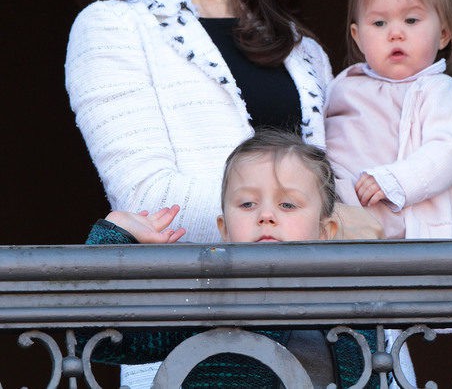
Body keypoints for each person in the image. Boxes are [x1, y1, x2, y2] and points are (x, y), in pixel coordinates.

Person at [64, 0, 332, 387]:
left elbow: (343, 189)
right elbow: (151, 201)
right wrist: (317, 220)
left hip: (326, 347)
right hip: (196, 351)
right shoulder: (112, 28)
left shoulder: (305, 52)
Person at [84, 129, 379, 388]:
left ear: (325, 230)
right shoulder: (207, 299)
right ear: (224, 229)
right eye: (247, 203)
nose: (265, 216)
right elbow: (98, 338)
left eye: (287, 204)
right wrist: (115, 233)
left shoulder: (349, 306)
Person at [324, 0, 452, 239]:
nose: (395, 33)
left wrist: (394, 180)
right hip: (352, 237)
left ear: (443, 33)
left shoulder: (440, 92)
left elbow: (448, 151)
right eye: (379, 23)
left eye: (411, 20)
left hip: (419, 242)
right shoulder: (343, 87)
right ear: (358, 37)